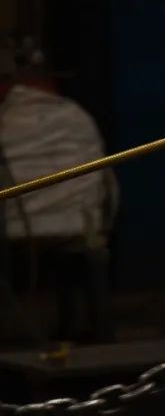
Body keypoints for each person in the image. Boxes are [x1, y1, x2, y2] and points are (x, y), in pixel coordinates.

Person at [0, 42, 116, 342]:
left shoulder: (6, 121)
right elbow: (104, 181)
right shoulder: (79, 117)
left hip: (15, 230)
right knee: (75, 258)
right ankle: (93, 328)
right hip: (79, 226)